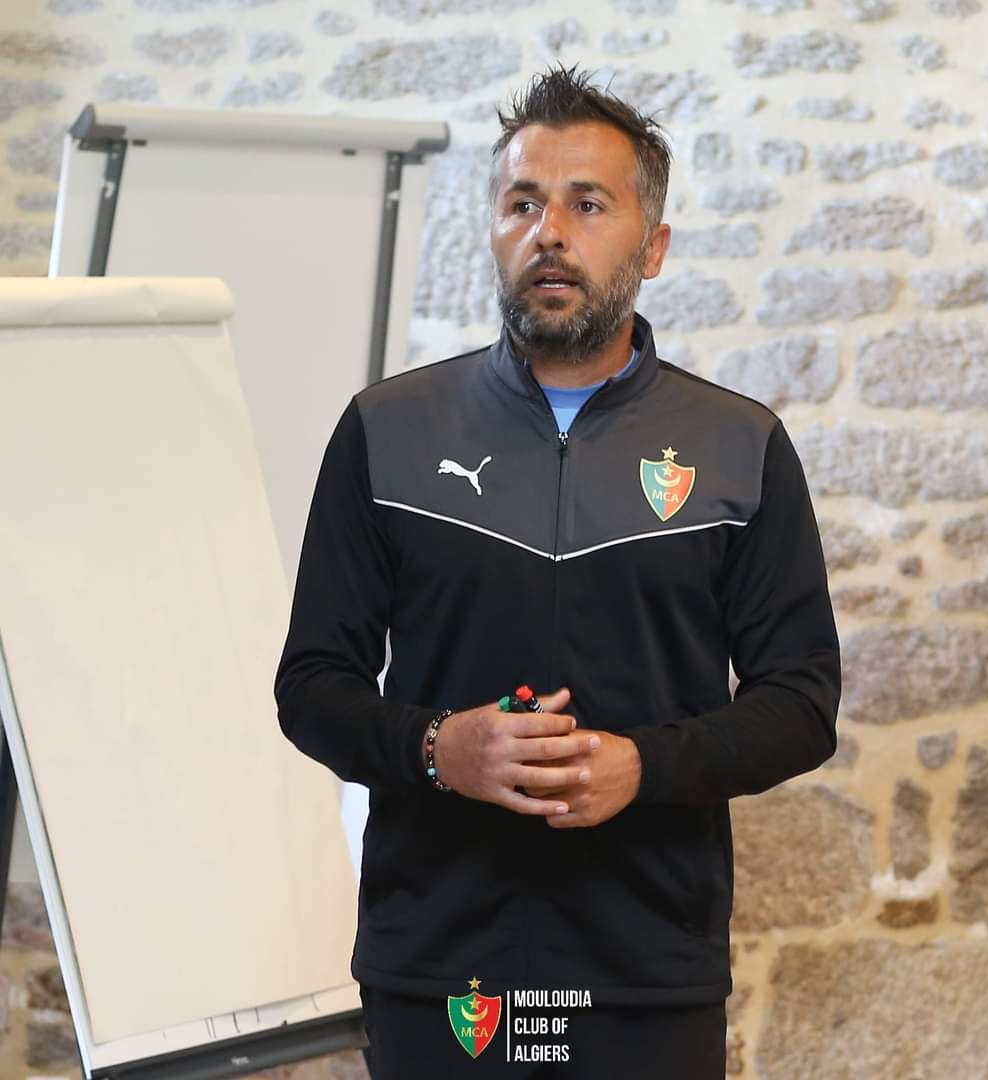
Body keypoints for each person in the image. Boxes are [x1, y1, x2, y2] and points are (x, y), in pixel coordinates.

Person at [274, 63, 841, 1079]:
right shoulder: (387, 432)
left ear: (652, 246)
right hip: (439, 972)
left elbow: (801, 703)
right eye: (523, 203)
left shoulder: (739, 447)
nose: (550, 232)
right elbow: (312, 687)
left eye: (588, 204)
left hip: (647, 974)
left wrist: (645, 766)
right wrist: (442, 749)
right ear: (493, 231)